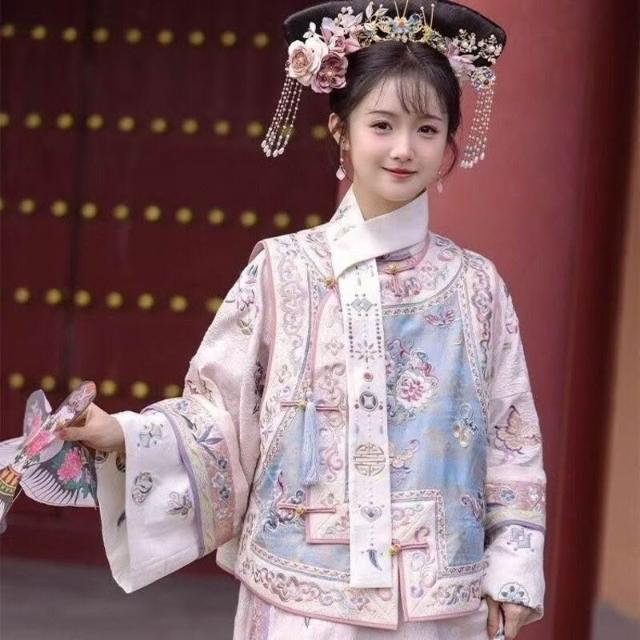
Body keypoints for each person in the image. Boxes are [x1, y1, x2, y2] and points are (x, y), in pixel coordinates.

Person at [56, 1, 546, 638]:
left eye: (427, 129)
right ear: (341, 129)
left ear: (450, 137)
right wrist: (125, 433)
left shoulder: (476, 287)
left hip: (438, 603)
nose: (404, 149)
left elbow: (511, 436)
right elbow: (219, 411)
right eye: (382, 125)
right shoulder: (282, 270)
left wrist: (513, 566)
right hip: (299, 598)